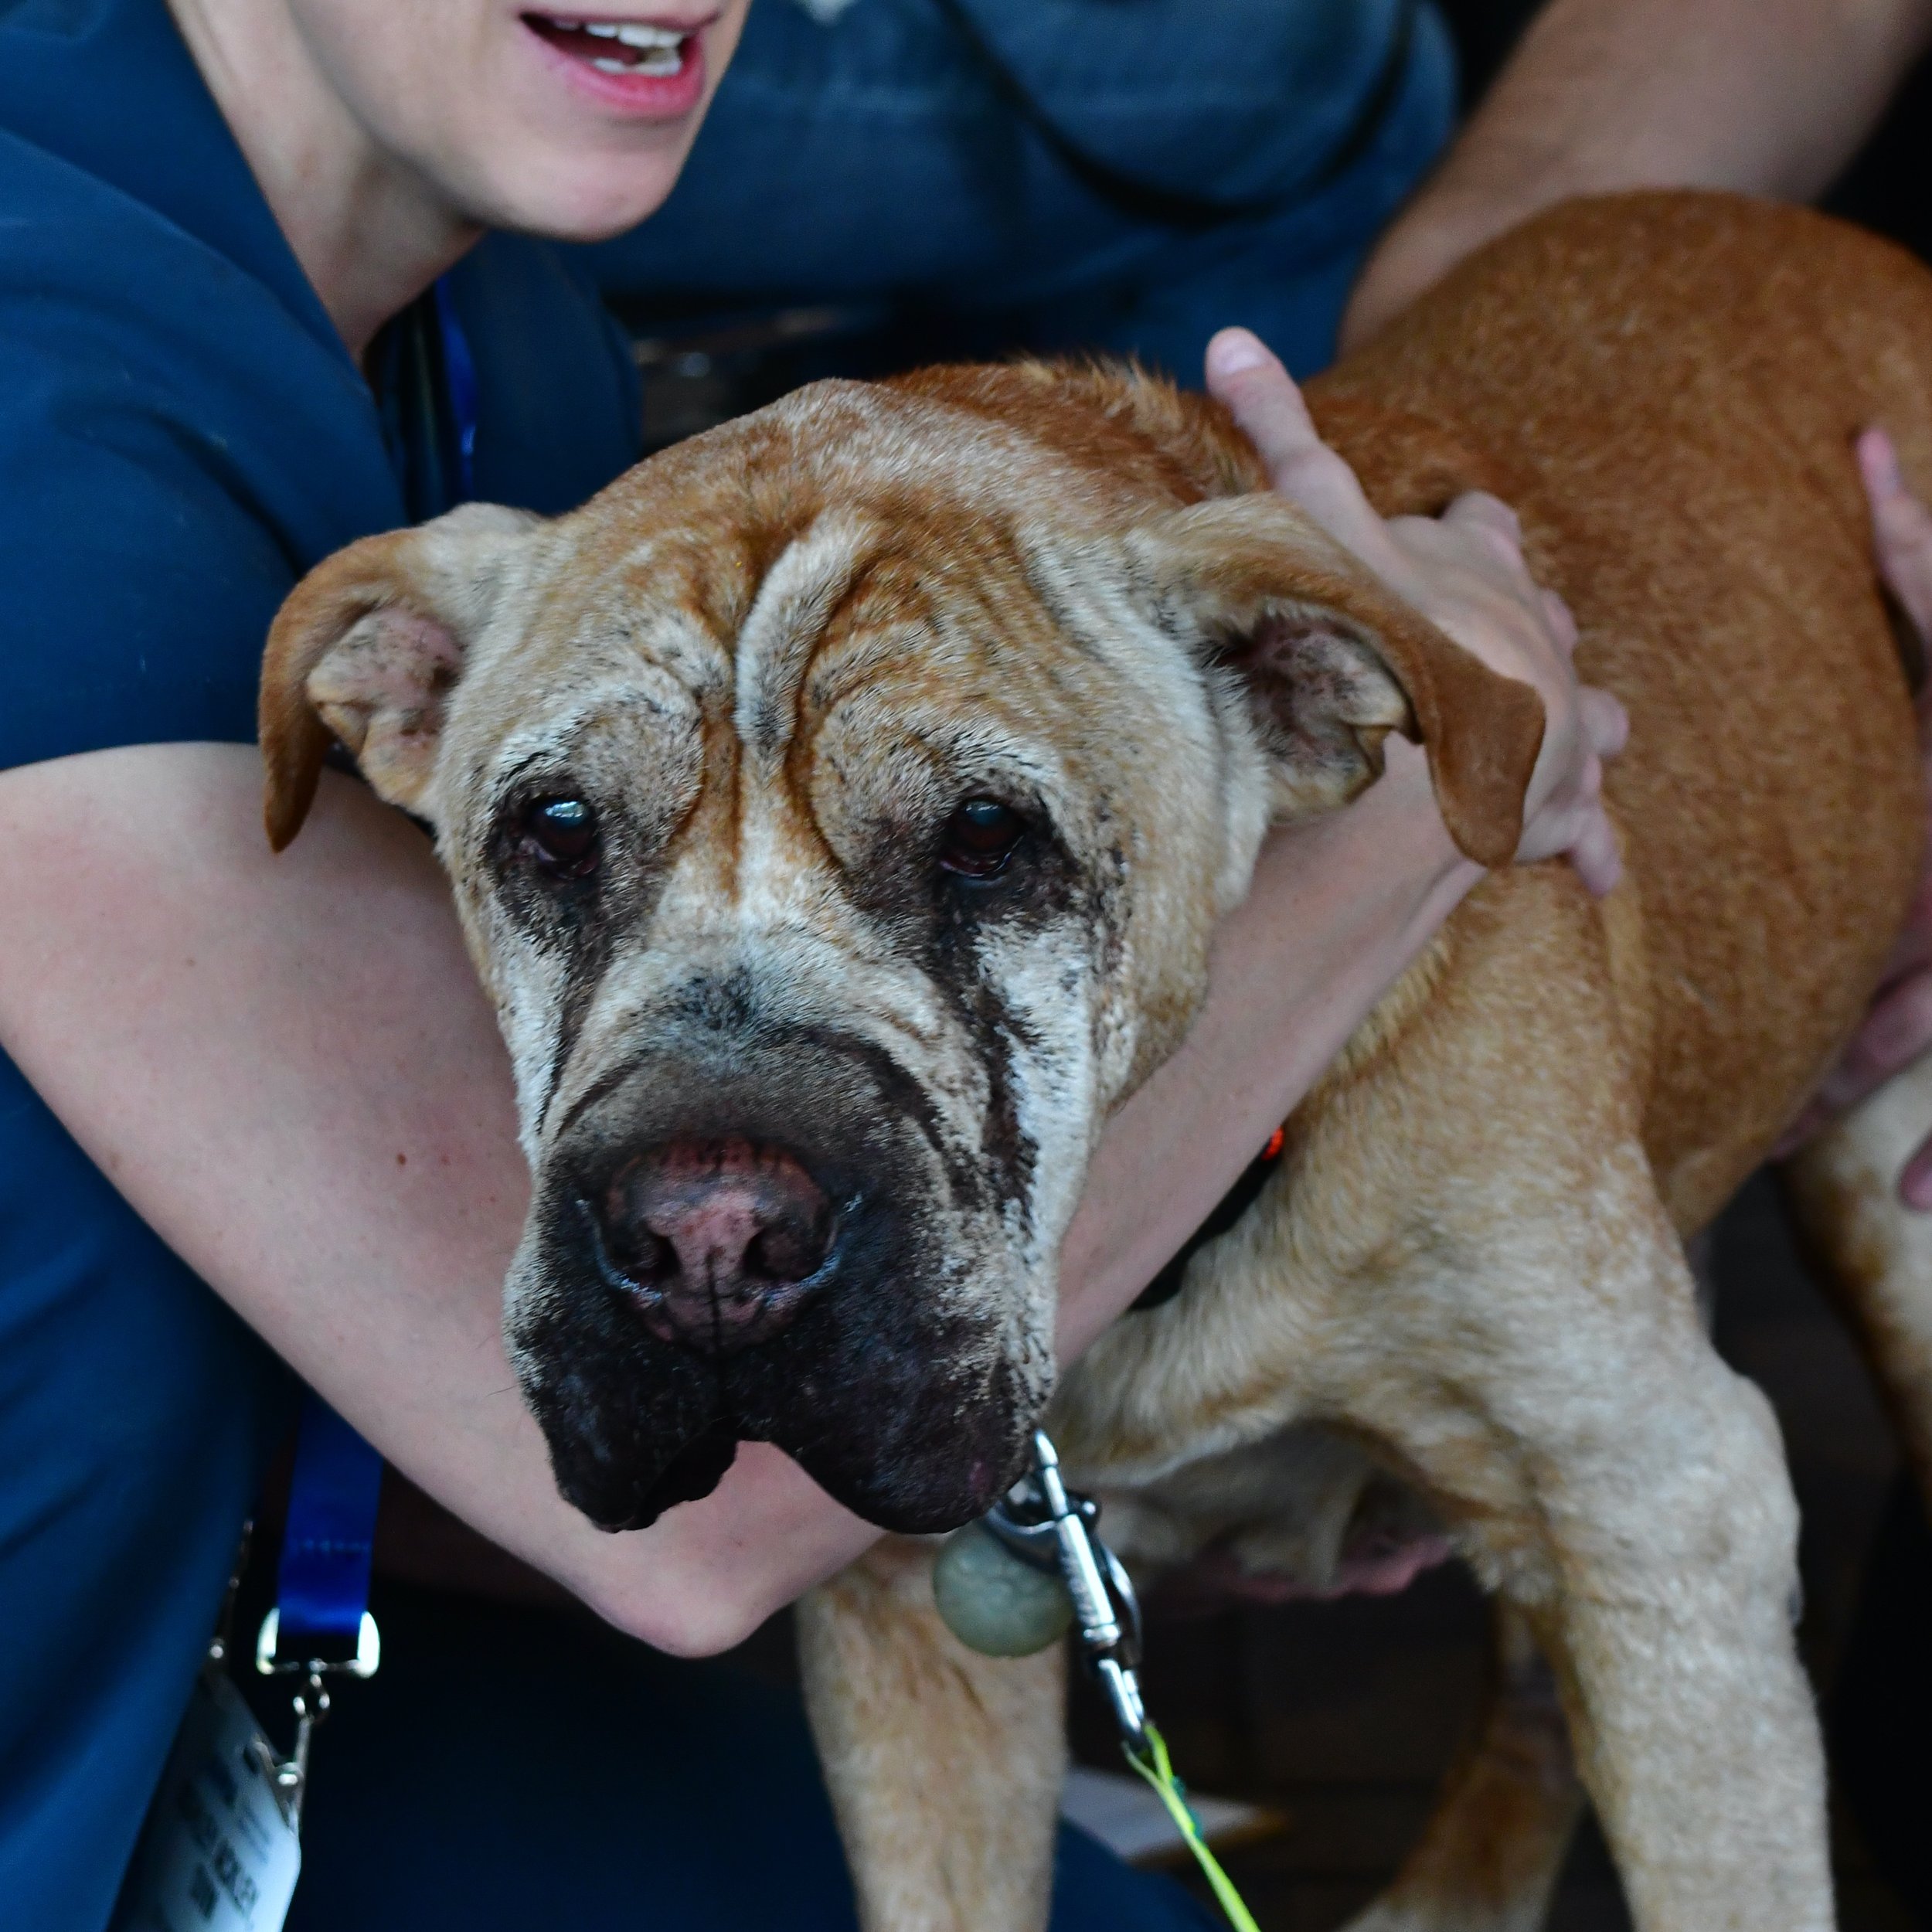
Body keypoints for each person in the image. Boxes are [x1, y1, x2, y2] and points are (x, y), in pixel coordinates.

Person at [0, 5, 1902, 1932]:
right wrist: (1452, 771)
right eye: (569, 841)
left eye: (981, 842)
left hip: (231, 1630)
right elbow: (709, 1541)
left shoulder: (520, 346)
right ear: (385, 697)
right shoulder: (54, 412)